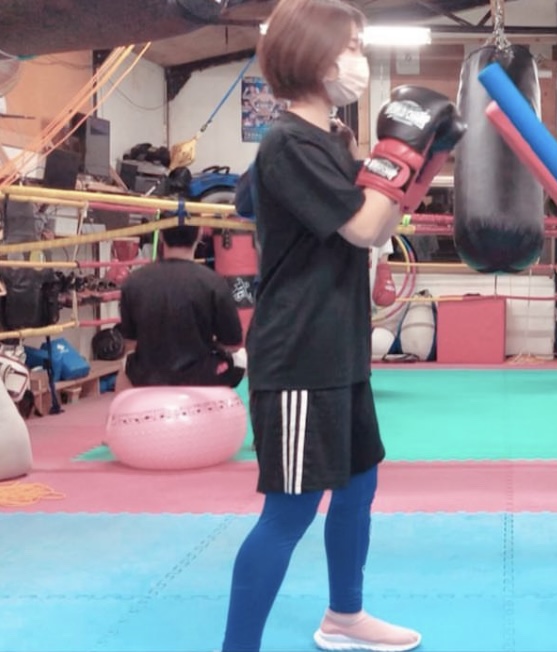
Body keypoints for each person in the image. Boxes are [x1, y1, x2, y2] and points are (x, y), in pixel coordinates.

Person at [221, 0, 463, 650]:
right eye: (350, 46)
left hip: (340, 348)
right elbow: (361, 225)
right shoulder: (288, 143)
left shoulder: (329, 140)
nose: (360, 58)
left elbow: (377, 229)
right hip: (298, 354)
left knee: (359, 484)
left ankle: (344, 617)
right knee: (290, 511)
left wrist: (426, 162)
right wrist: (398, 154)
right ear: (312, 55)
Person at [116, 223, 244, 389]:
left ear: (161, 235)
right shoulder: (214, 282)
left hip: (148, 377)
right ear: (199, 234)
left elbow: (130, 343)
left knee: (125, 366)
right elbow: (232, 344)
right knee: (242, 358)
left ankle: (125, 406)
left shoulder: (133, 282)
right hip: (202, 376)